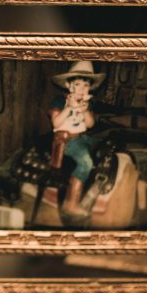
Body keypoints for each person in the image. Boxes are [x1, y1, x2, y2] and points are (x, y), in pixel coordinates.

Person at [48, 61, 105, 224]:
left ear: (90, 88)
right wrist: (69, 108)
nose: (81, 89)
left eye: (86, 85)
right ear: (69, 85)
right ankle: (70, 203)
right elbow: (56, 124)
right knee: (85, 162)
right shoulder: (59, 101)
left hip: (82, 137)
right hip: (66, 140)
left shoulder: (87, 103)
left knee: (106, 146)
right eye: (77, 84)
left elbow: (90, 125)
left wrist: (85, 111)